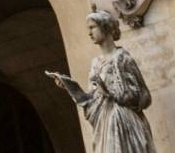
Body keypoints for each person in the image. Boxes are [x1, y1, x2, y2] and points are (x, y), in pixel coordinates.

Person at [48, 10, 156, 153]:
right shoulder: (95, 63)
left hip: (125, 124)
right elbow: (92, 103)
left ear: (105, 28)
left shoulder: (122, 58)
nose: (89, 33)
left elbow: (143, 97)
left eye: (92, 27)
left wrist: (109, 90)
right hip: (104, 126)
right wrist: (72, 89)